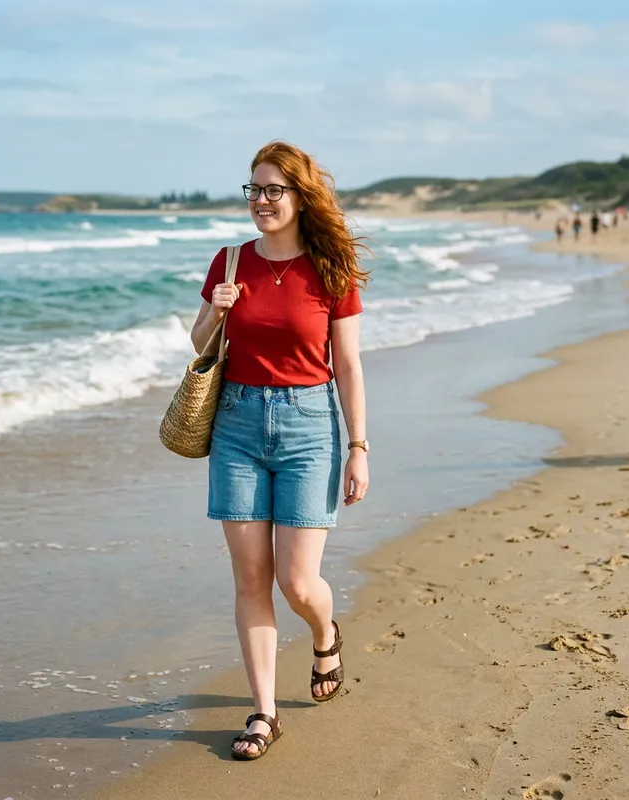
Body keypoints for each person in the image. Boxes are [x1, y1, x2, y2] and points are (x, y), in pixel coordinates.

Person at [190, 141, 370, 760]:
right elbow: (197, 340)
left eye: (273, 191)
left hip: (310, 428)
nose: (261, 202)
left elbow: (347, 364)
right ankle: (263, 713)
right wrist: (215, 312)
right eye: (253, 190)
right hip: (236, 425)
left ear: (299, 197)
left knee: (297, 581)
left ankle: (325, 633)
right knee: (251, 580)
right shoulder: (231, 261)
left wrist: (359, 446)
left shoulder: (329, 268)